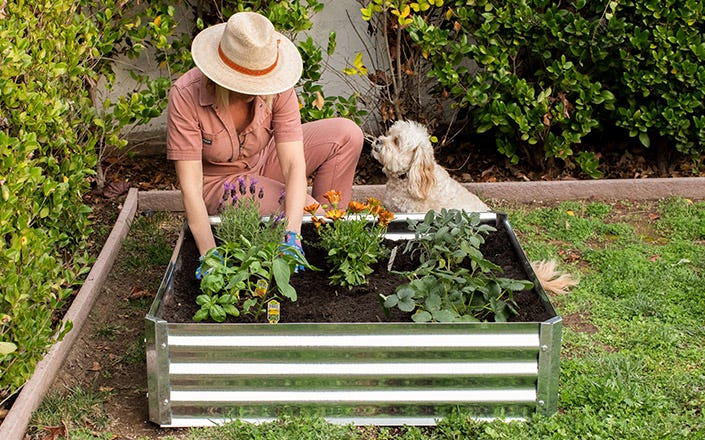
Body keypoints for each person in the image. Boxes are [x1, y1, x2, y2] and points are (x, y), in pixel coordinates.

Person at [166, 11, 363, 262]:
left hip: (263, 161)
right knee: (307, 208)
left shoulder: (277, 85)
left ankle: (327, 239)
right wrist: (209, 254)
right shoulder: (186, 95)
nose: (256, 92)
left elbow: (293, 165)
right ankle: (321, 230)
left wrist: (292, 233)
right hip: (219, 183)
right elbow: (190, 187)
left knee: (346, 135)